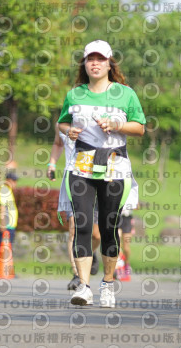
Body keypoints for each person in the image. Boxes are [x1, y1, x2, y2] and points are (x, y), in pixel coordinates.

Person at [58, 39, 145, 308]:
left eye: (100, 59)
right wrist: (68, 131)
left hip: (114, 165)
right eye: (90, 59)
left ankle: (107, 284)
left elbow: (140, 127)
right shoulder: (75, 94)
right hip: (81, 165)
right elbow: (61, 123)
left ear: (109, 63)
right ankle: (84, 286)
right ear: (84, 64)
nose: (95, 63)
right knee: (82, 225)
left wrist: (116, 124)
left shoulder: (125, 94)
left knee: (109, 228)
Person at [48, 123, 101, 290]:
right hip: (73, 180)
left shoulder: (91, 119)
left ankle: (90, 254)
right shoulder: (61, 123)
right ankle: (77, 274)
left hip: (95, 177)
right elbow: (58, 143)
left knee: (96, 235)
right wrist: (52, 164)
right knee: (73, 227)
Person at [0, 172, 18, 265]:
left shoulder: (8, 191)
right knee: (2, 248)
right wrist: (3, 224)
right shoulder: (4, 190)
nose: (15, 183)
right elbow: (2, 207)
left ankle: (6, 269)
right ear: (8, 180)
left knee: (7, 248)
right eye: (14, 181)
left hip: (10, 225)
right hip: (6, 225)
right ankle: (0, 270)